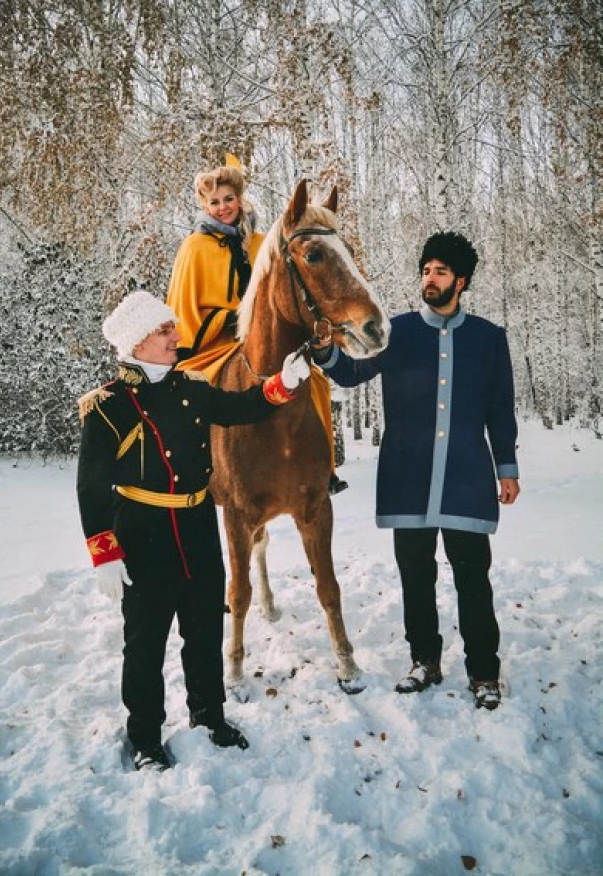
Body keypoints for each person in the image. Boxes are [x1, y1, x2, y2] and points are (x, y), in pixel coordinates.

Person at [76, 290, 310, 771]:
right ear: (137, 342)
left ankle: (209, 717)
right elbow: (91, 486)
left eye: (172, 328)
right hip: (144, 532)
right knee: (145, 642)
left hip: (198, 523)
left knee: (204, 628)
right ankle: (144, 738)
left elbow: (242, 407)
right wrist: (104, 552)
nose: (175, 336)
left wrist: (282, 383)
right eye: (165, 331)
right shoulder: (108, 406)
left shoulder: (191, 386)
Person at [314, 232, 520, 711]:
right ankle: (424, 659)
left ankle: (484, 672)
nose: (430, 278)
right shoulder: (399, 331)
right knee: (415, 576)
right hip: (408, 477)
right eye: (426, 270)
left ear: (460, 281)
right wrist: (326, 351)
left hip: (467, 477)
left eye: (441, 272)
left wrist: (506, 468)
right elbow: (351, 373)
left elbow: (501, 410)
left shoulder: (489, 340)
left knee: (473, 578)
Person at [166, 157, 348, 495]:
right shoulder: (195, 247)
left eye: (229, 199)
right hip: (215, 341)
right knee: (190, 389)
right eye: (214, 202)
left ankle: (325, 470)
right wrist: (228, 318)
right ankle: (189, 467)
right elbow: (184, 305)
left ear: (240, 197)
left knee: (317, 382)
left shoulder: (262, 241)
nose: (223, 208)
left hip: (264, 337)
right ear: (205, 206)